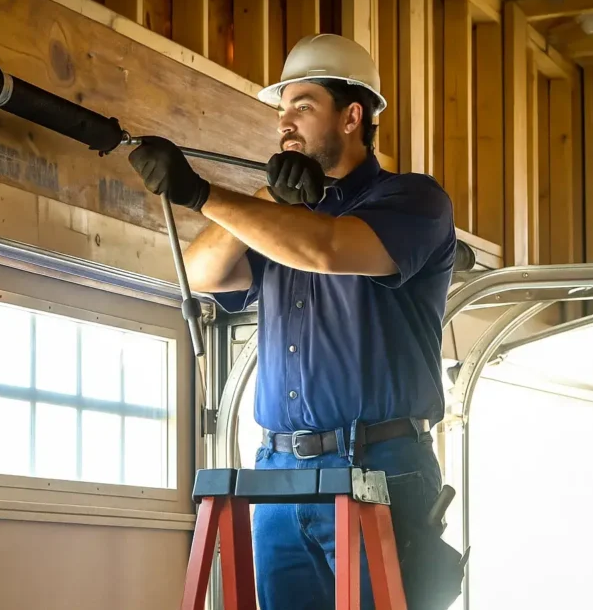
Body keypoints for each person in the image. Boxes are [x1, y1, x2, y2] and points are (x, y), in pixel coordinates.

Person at [127, 33, 456, 610]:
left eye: (302, 106)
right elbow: (200, 271)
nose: (286, 122)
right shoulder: (277, 217)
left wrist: (200, 192)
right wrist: (266, 197)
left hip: (379, 466)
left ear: (352, 116)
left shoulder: (414, 200)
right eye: (282, 110)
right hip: (279, 471)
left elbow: (327, 249)